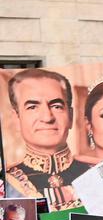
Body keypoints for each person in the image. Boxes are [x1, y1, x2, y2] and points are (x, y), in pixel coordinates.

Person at [5, 68, 89, 209]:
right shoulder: (6, 182)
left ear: (70, 116)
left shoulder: (100, 173)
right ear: (16, 118)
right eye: (32, 107)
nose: (47, 117)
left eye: (56, 106)